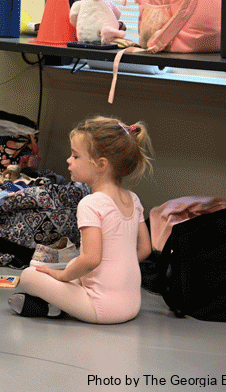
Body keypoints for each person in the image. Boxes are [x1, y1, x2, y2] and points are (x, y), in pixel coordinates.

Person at [9, 116, 154, 324]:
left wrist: (62, 277)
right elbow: (145, 249)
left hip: (101, 308)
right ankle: (55, 305)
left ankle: (54, 306)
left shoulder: (91, 203)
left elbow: (92, 259)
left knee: (30, 276)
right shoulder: (133, 199)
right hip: (132, 304)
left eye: (75, 156)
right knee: (77, 262)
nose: (69, 160)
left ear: (101, 164)